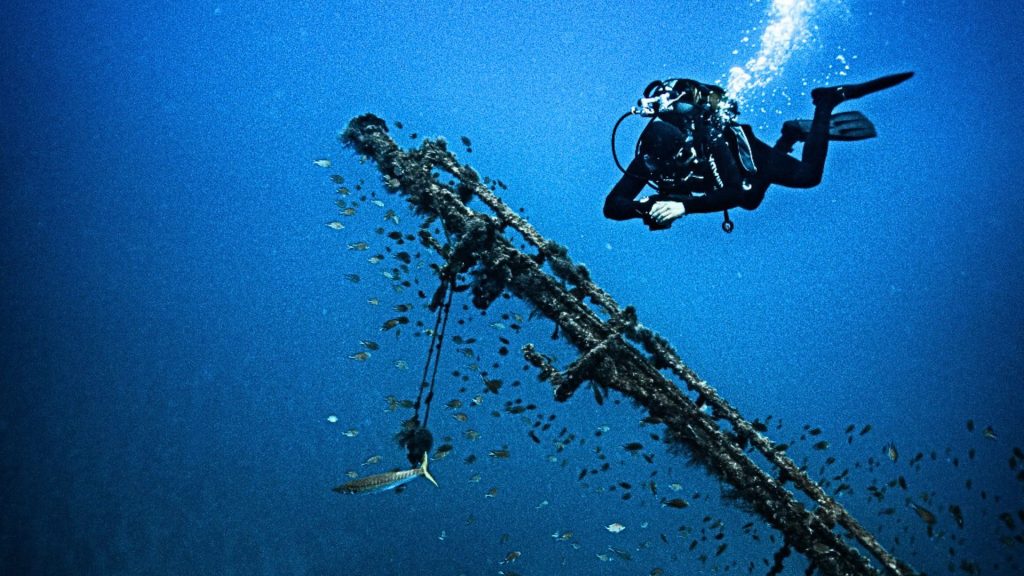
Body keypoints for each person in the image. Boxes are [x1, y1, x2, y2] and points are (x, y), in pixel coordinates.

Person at [603, 72, 914, 231]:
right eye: (656, 167)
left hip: (745, 155)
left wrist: (683, 206)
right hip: (723, 183)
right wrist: (645, 205)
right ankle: (789, 136)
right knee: (752, 203)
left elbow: (733, 191)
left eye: (678, 162)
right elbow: (613, 206)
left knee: (807, 177)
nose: (666, 172)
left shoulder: (710, 138)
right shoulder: (651, 155)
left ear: (685, 149)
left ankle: (826, 102)